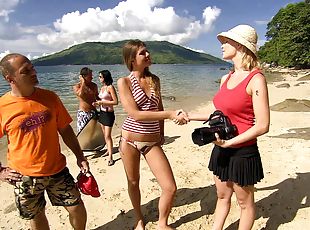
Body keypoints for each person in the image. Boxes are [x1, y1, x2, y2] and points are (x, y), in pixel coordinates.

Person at [188, 25, 270, 230]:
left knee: (244, 203)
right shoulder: (226, 78)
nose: (222, 45)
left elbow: (263, 125)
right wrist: (191, 116)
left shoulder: (256, 79)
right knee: (222, 196)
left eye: (226, 41)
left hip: (243, 152)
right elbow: (220, 116)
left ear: (241, 46)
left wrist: (230, 142)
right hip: (221, 148)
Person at [0, 53, 89, 230]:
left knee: (77, 208)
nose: (34, 72)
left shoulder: (50, 97)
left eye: (32, 67)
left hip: (56, 169)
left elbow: (65, 129)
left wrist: (80, 156)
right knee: (37, 216)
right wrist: (0, 171)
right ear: (10, 78)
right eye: (26, 71)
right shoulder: (3, 106)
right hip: (24, 176)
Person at [117, 39, 188, 230]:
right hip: (129, 140)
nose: (147, 55)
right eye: (142, 53)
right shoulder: (123, 82)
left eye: (147, 51)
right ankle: (139, 219)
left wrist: (162, 133)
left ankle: (162, 224)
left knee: (170, 187)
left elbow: (159, 107)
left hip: (151, 141)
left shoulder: (154, 80)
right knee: (133, 182)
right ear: (132, 59)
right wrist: (171, 114)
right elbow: (135, 115)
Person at [92, 70, 118, 166]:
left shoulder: (110, 87)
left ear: (105, 77)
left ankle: (110, 157)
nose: (99, 78)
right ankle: (108, 150)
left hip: (108, 114)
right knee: (104, 135)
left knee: (107, 136)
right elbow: (102, 99)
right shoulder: (102, 88)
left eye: (100, 77)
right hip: (102, 113)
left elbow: (115, 102)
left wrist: (102, 103)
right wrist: (97, 102)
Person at [73, 67, 99, 133]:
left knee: (93, 133)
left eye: (91, 76)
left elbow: (97, 98)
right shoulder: (77, 86)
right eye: (90, 76)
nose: (92, 78)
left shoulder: (94, 85)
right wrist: (83, 82)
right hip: (83, 113)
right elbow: (80, 94)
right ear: (83, 77)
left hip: (93, 112)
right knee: (82, 133)